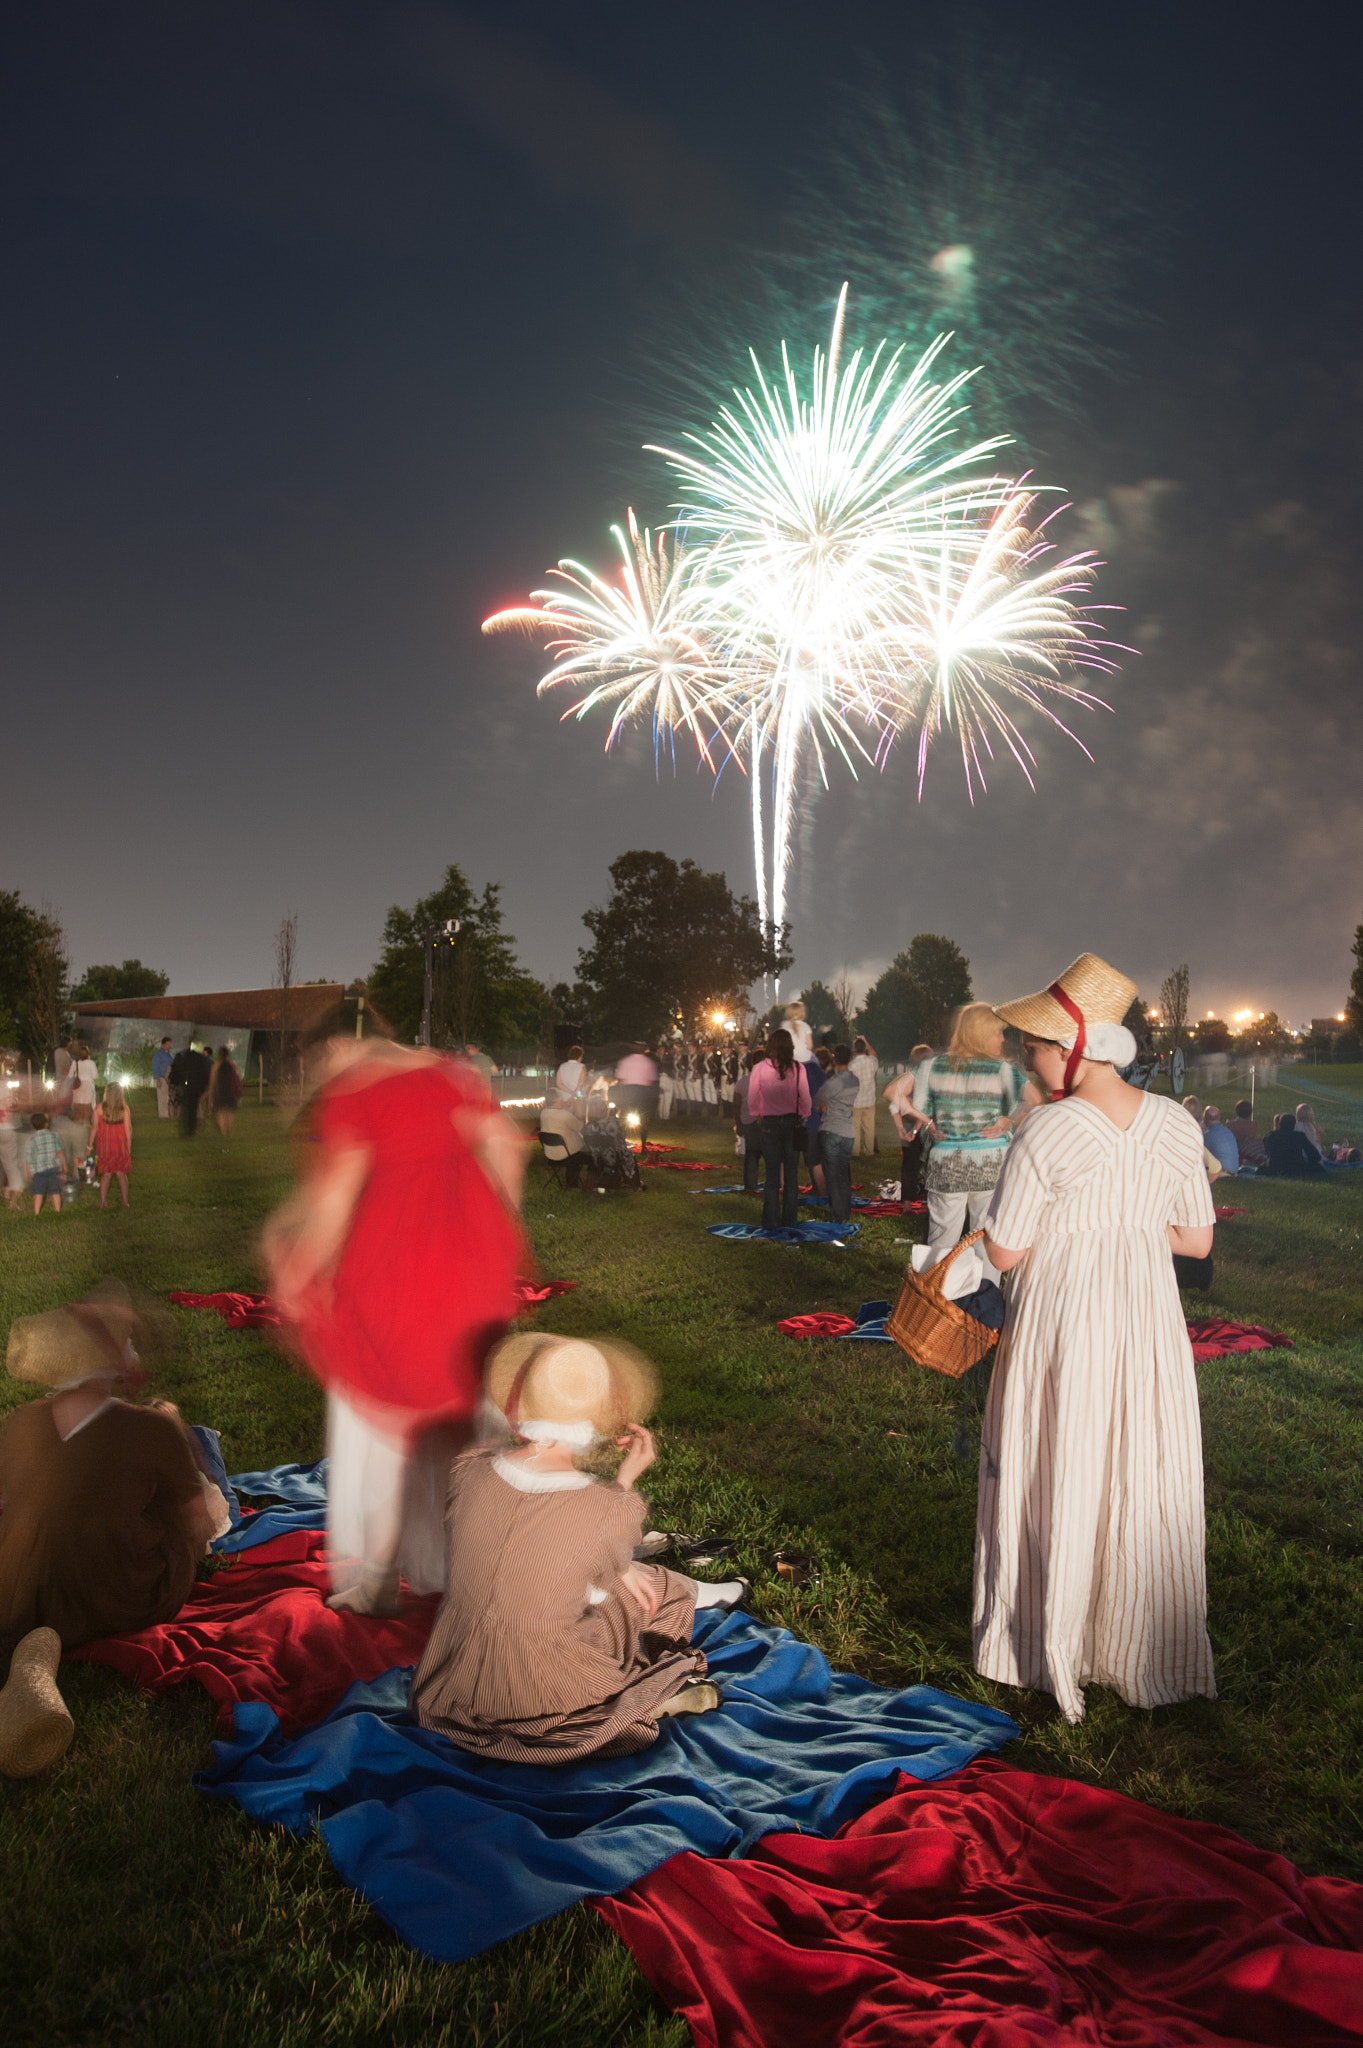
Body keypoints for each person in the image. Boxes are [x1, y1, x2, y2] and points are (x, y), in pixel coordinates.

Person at [977, 953, 1217, 1727]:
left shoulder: (1045, 1129)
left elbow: (1005, 1252)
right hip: (1144, 1315)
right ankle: (1141, 1644)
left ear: (1078, 1047)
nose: (1028, 1055)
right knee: (1136, 1462)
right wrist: (1128, 1222)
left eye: (1038, 1044)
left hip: (1063, 1315)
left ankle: (1050, 1642)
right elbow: (1195, 1241)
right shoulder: (1176, 1122)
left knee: (1058, 1455)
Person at [261, 998, 525, 1614]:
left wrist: (298, 1273)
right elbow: (505, 1148)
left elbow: (334, 1197)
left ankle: (375, 1579)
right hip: (468, 1263)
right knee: (468, 1417)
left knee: (380, 1423)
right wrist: (497, 1231)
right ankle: (482, 1562)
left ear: (335, 1047)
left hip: (393, 1271)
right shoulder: (451, 1073)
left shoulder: (356, 1090)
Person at [411, 1333, 742, 1762]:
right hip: (544, 1691)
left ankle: (695, 1592)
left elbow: (525, 1541)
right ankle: (695, 1616)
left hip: (450, 1682)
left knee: (615, 1571)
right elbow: (591, 1580)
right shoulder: (606, 1509)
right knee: (645, 1587)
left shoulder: (468, 1471)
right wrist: (624, 1483)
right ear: (595, 1422)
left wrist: (614, 1556)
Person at [0, 1283, 219, 1656]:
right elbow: (198, 1519)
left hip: (23, 1602)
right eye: (126, 1338)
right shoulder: (150, 1426)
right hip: (121, 1600)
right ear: (109, 1355)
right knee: (179, 1510)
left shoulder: (22, 1421)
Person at [912, 1005, 1027, 1277]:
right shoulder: (1001, 1070)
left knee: (941, 1238)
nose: (1002, 1039)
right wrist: (1009, 1119)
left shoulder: (930, 1067)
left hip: (947, 1162)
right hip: (990, 1162)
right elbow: (1030, 1100)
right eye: (998, 1033)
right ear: (982, 1033)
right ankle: (983, 1307)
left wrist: (931, 1124)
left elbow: (919, 1108)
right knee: (985, 1238)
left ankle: (935, 1304)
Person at [747, 1028, 812, 1229]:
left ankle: (770, 1221)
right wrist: (804, 1113)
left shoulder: (759, 1068)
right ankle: (790, 1220)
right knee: (791, 1177)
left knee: (772, 1176)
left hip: (769, 1124)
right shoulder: (798, 1069)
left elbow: (752, 1098)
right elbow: (806, 1097)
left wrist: (758, 1112)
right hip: (792, 1124)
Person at [885, 1042, 934, 1202]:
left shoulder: (909, 1077)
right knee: (926, 1164)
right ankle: (927, 1198)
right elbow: (926, 1108)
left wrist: (901, 1128)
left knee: (909, 1165)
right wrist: (913, 1129)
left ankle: (908, 1202)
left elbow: (894, 1105)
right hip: (921, 1126)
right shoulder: (925, 1079)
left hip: (910, 1124)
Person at [817, 1044, 859, 1223]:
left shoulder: (834, 1082)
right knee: (843, 1174)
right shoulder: (854, 1080)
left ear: (834, 1060)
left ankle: (837, 1215)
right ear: (850, 1060)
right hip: (848, 1131)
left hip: (831, 1129)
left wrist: (822, 1104)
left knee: (833, 1176)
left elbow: (816, 1099)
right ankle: (844, 1212)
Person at [91, 1082, 133, 1208]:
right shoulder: (124, 1109)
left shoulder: (99, 1108)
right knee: (121, 1174)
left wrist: (89, 1146)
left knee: (106, 1174)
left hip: (105, 1147)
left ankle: (103, 1201)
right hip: (120, 1147)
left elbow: (94, 1127)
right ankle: (125, 1201)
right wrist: (128, 1147)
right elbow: (128, 1130)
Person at [614, 1042, 659, 1144]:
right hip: (642, 1093)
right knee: (643, 1119)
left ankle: (622, 1141)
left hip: (628, 1092)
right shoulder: (648, 1062)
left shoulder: (625, 1061)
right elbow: (652, 1080)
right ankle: (643, 1144)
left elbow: (619, 1079)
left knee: (624, 1117)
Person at [1260, 1112, 1325, 1178]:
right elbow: (1314, 1155)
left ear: (1279, 1124)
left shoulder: (1271, 1136)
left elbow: (1267, 1151)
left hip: (1275, 1166)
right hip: (1296, 1167)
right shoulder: (1299, 1136)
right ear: (1294, 1125)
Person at [732, 1049, 762, 1193]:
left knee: (752, 1155)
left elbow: (736, 1104)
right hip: (766, 1122)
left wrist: (738, 1123)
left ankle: (750, 1186)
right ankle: (776, 1184)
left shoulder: (743, 1081)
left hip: (748, 1123)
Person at [539, 1099, 587, 1188]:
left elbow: (559, 1117)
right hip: (567, 1155)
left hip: (550, 1154)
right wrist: (579, 1108)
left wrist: (567, 1111)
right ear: (557, 1100)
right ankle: (578, 1184)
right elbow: (580, 1126)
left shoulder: (544, 1113)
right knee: (588, 1153)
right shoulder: (565, 1115)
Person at [804, 1044, 832, 1198]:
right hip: (817, 1121)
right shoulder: (814, 1069)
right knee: (815, 1158)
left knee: (814, 1160)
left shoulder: (805, 1070)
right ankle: (819, 1187)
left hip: (810, 1121)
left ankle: (822, 1193)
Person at [24, 1112, 65, 1215]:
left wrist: (29, 1172)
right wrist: (64, 1165)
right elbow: (60, 1152)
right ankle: (57, 1211)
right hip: (53, 1167)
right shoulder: (54, 1135)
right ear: (46, 1124)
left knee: (38, 1192)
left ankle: (36, 1213)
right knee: (55, 1191)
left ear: (33, 1126)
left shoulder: (31, 1140)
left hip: (38, 1170)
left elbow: (28, 1158)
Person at [849, 1037, 879, 1155]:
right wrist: (867, 1042)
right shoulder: (872, 1061)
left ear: (854, 1049)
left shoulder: (851, 1065)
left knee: (855, 1127)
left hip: (856, 1101)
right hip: (870, 1099)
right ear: (864, 1048)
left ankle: (855, 1151)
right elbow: (874, 1054)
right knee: (869, 1128)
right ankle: (869, 1151)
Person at [179, 1039, 212, 1138]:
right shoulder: (199, 1058)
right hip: (195, 1087)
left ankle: (188, 1129)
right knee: (192, 1108)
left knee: (188, 1108)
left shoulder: (185, 1056)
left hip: (188, 1087)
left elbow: (181, 1071)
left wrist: (182, 1083)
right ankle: (191, 1128)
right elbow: (203, 1074)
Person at [209, 1045, 242, 1144]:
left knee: (220, 1113)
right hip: (231, 1092)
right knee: (230, 1112)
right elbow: (238, 1079)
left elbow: (212, 1081)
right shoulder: (233, 1065)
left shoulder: (216, 1066)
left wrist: (211, 1094)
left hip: (220, 1092)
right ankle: (229, 1132)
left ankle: (223, 1133)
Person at [1226, 1098, 1267, 1166]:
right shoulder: (1253, 1124)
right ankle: (1259, 1156)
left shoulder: (1230, 1124)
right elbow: (1252, 1138)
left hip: (1235, 1147)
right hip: (1244, 1147)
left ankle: (1258, 1156)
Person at [1201, 1105, 1239, 1175]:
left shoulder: (1208, 1136)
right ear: (1219, 1117)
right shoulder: (1228, 1132)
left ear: (1204, 1118)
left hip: (1221, 1173)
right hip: (1234, 1171)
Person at [71, 1044, 98, 1135]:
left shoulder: (75, 1063)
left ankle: (77, 1121)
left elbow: (70, 1075)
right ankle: (86, 1121)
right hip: (88, 1085)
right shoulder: (91, 1063)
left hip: (78, 1084)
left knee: (77, 1102)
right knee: (87, 1103)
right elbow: (95, 1075)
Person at [554, 1045, 587, 1112]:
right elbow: (581, 1084)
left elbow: (559, 1083)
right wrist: (574, 1095)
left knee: (565, 1116)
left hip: (565, 1096)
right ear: (579, 1056)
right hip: (578, 1095)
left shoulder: (562, 1066)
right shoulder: (581, 1067)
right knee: (579, 1116)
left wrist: (571, 1093)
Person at [152, 1036, 174, 1119]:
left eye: (170, 1044)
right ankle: (163, 1115)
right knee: (162, 1096)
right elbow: (155, 1066)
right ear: (163, 1045)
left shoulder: (168, 1055)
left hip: (168, 1078)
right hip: (161, 1077)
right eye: (167, 1044)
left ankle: (166, 1114)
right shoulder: (158, 1054)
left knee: (167, 1096)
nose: (169, 1046)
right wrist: (157, 1079)